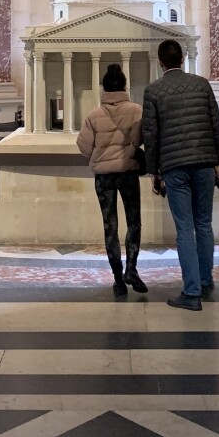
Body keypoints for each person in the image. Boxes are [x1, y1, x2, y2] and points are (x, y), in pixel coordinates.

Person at [142, 39, 219, 311]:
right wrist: (215, 160)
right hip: (204, 163)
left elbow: (150, 134)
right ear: (183, 58)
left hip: (175, 166)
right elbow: (215, 124)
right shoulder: (202, 85)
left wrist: (153, 171)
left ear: (160, 62)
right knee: (204, 223)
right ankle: (205, 280)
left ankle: (191, 291)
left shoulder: (153, 91)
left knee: (185, 228)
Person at [77, 63, 150, 298]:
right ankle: (131, 269)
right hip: (128, 172)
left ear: (104, 88)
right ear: (124, 87)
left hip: (104, 177)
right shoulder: (136, 111)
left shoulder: (94, 115)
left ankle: (118, 279)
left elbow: (84, 147)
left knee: (110, 226)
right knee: (134, 222)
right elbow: (141, 139)